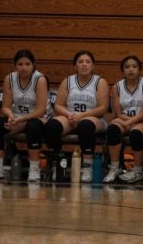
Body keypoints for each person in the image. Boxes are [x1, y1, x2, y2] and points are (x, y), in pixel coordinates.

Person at [44, 50, 109, 183]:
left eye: (87, 62)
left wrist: (82, 116)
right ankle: (59, 161)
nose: (84, 64)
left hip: (93, 118)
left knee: (85, 125)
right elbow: (58, 105)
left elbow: (103, 108)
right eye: (80, 62)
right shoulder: (67, 81)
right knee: (51, 126)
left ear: (93, 66)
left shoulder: (100, 82)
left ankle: (87, 166)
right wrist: (69, 114)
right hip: (71, 116)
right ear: (75, 66)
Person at [0, 49, 48, 182]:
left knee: (33, 126)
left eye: (27, 64)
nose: (23, 67)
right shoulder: (9, 78)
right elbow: (5, 106)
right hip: (17, 117)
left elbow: (40, 111)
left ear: (33, 65)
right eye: (20, 64)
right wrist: (11, 116)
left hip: (37, 118)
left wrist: (20, 120)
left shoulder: (40, 79)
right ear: (15, 65)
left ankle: (34, 170)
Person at [104, 55, 143, 184]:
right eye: (127, 67)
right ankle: (115, 168)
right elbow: (118, 113)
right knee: (113, 128)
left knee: (136, 133)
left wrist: (131, 122)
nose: (130, 69)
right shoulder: (116, 87)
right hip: (125, 119)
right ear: (123, 71)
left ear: (140, 69)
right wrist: (129, 121)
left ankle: (137, 171)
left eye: (134, 66)